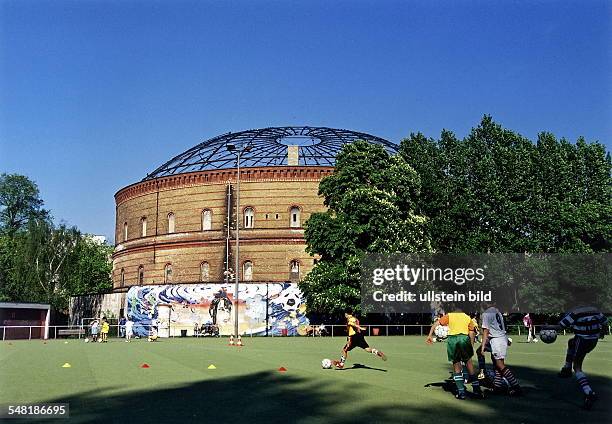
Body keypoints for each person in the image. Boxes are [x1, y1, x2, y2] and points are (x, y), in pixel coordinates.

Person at [555, 306, 607, 410]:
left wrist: (547, 328)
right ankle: (566, 369)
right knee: (571, 342)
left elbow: (561, 325)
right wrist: (601, 332)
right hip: (593, 340)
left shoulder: (576, 312)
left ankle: (589, 392)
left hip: (582, 340)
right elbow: (605, 321)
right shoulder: (594, 310)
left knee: (577, 367)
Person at [427, 309, 483, 400]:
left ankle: (461, 393)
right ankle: (477, 391)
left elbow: (436, 324)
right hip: (464, 339)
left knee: (456, 365)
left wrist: (429, 335)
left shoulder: (450, 316)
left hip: (453, 340)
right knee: (470, 366)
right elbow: (471, 332)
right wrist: (471, 345)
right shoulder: (467, 317)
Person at [477, 303, 522, 396]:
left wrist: (482, 346)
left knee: (500, 365)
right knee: (498, 365)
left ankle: (516, 387)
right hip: (501, 339)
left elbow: (486, 331)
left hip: (497, 341)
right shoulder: (497, 311)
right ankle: (497, 387)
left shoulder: (487, 313)